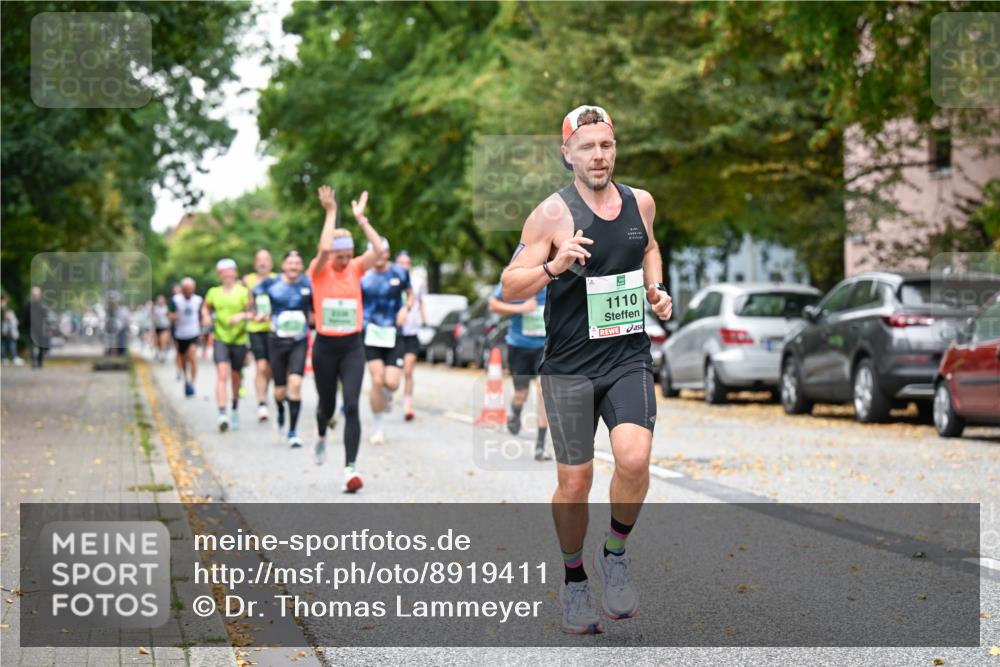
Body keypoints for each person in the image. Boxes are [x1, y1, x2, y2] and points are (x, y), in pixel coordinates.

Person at [501, 105, 673, 634]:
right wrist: (553, 265)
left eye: (606, 145)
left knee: (635, 456)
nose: (599, 156)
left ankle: (614, 553)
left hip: (627, 358)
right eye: (587, 147)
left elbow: (649, 247)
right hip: (569, 367)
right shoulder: (551, 214)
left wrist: (657, 291)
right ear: (567, 154)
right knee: (575, 483)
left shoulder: (639, 202)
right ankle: (574, 579)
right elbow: (510, 284)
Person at [309, 185, 387, 492]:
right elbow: (324, 250)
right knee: (326, 407)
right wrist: (331, 212)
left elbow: (380, 250)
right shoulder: (318, 271)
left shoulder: (355, 268)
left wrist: (362, 220)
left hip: (352, 346)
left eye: (348, 255)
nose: (344, 261)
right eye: (339, 256)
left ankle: (350, 469)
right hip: (325, 348)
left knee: (352, 405)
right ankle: (320, 433)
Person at [251, 250, 313, 448]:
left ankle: (293, 432)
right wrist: (260, 313)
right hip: (276, 341)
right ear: (283, 265)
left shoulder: (307, 284)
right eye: (290, 263)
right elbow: (254, 295)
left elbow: (317, 305)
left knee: (295, 383)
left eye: (297, 263)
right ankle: (279, 408)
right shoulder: (271, 283)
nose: (294, 266)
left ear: (301, 266)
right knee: (280, 391)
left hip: (299, 340)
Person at [360, 235, 414, 445]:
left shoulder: (400, 272)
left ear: (388, 253)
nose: (379, 256)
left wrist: (406, 308)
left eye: (382, 252)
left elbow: (410, 294)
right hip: (371, 333)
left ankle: (386, 394)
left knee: (391, 383)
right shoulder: (363, 277)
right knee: (376, 379)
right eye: (375, 251)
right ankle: (378, 428)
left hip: (393, 334)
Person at [488, 282, 551, 461]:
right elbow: (493, 305)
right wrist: (521, 308)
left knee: (543, 389)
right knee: (521, 394)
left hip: (545, 346)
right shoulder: (519, 276)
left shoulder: (555, 276)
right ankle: (515, 412)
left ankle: (540, 445)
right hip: (519, 345)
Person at [203, 259, 251, 432]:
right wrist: (206, 317)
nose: (228, 274)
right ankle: (222, 413)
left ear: (235, 273)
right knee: (222, 374)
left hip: (238, 339)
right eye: (224, 271)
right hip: (220, 338)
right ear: (219, 274)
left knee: (236, 377)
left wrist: (242, 316)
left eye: (230, 271)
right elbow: (205, 308)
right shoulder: (213, 292)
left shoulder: (244, 292)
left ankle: (235, 408)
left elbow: (252, 312)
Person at [243, 249, 276, 422]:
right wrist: (251, 312)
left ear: (271, 263)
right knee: (261, 366)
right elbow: (245, 304)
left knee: (270, 368)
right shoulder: (248, 281)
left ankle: (266, 392)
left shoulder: (277, 279)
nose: (262, 263)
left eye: (266, 260)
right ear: (255, 263)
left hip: (273, 329)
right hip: (256, 328)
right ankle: (262, 402)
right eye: (259, 260)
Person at [393, 251, 426, 421]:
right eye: (401, 262)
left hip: (411, 333)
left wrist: (424, 319)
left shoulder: (417, 282)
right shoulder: (390, 280)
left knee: (408, 370)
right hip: (394, 334)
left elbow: (420, 302)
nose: (404, 266)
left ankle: (407, 405)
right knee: (393, 376)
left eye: (407, 262)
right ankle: (387, 395)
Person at [171, 278, 203, 397]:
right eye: (186, 290)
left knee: (192, 356)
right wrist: (174, 316)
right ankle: (186, 378)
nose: (188, 292)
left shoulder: (198, 300)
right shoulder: (175, 300)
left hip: (194, 333)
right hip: (180, 334)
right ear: (182, 290)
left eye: (191, 289)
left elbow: (202, 315)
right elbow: (169, 314)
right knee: (183, 359)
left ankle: (192, 383)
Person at [21, 286, 50, 369]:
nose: (35, 296)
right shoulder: (28, 304)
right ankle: (34, 361)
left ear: (39, 295)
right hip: (31, 329)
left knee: (41, 346)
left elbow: (46, 317)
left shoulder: (43, 304)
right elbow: (24, 317)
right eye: (34, 294)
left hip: (41, 329)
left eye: (37, 294)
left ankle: (39, 361)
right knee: (31, 346)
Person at [1, 293, 22, 365]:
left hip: (5, 328)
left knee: (4, 343)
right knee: (9, 342)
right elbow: (5, 317)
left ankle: (4, 358)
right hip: (5, 328)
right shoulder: (2, 306)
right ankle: (11, 357)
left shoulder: (4, 306)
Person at [152, 295, 171, 362]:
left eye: (161, 300)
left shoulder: (167, 308)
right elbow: (152, 317)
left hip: (164, 326)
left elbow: (170, 316)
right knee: (157, 341)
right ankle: (158, 352)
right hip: (157, 327)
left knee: (163, 340)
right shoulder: (155, 308)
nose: (160, 301)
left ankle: (163, 354)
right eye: (159, 300)